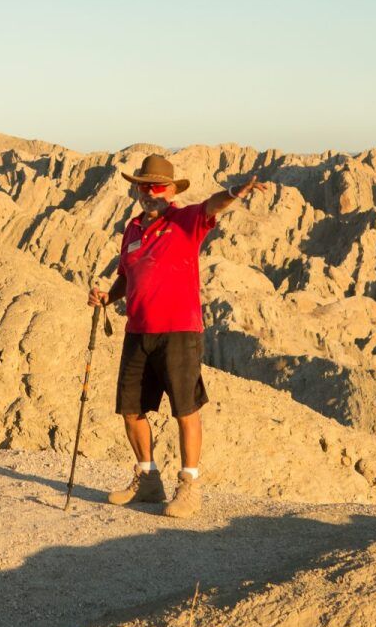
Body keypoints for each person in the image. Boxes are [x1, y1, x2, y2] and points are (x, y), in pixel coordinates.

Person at [87, 155, 263, 519]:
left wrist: (234, 192)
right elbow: (126, 277)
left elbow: (212, 205)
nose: (149, 192)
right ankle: (149, 480)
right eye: (143, 186)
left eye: (156, 186)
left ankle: (189, 487)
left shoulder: (183, 221)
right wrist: (108, 297)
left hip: (180, 332)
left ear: (170, 190)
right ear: (136, 189)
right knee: (130, 409)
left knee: (186, 409)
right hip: (137, 330)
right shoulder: (132, 229)